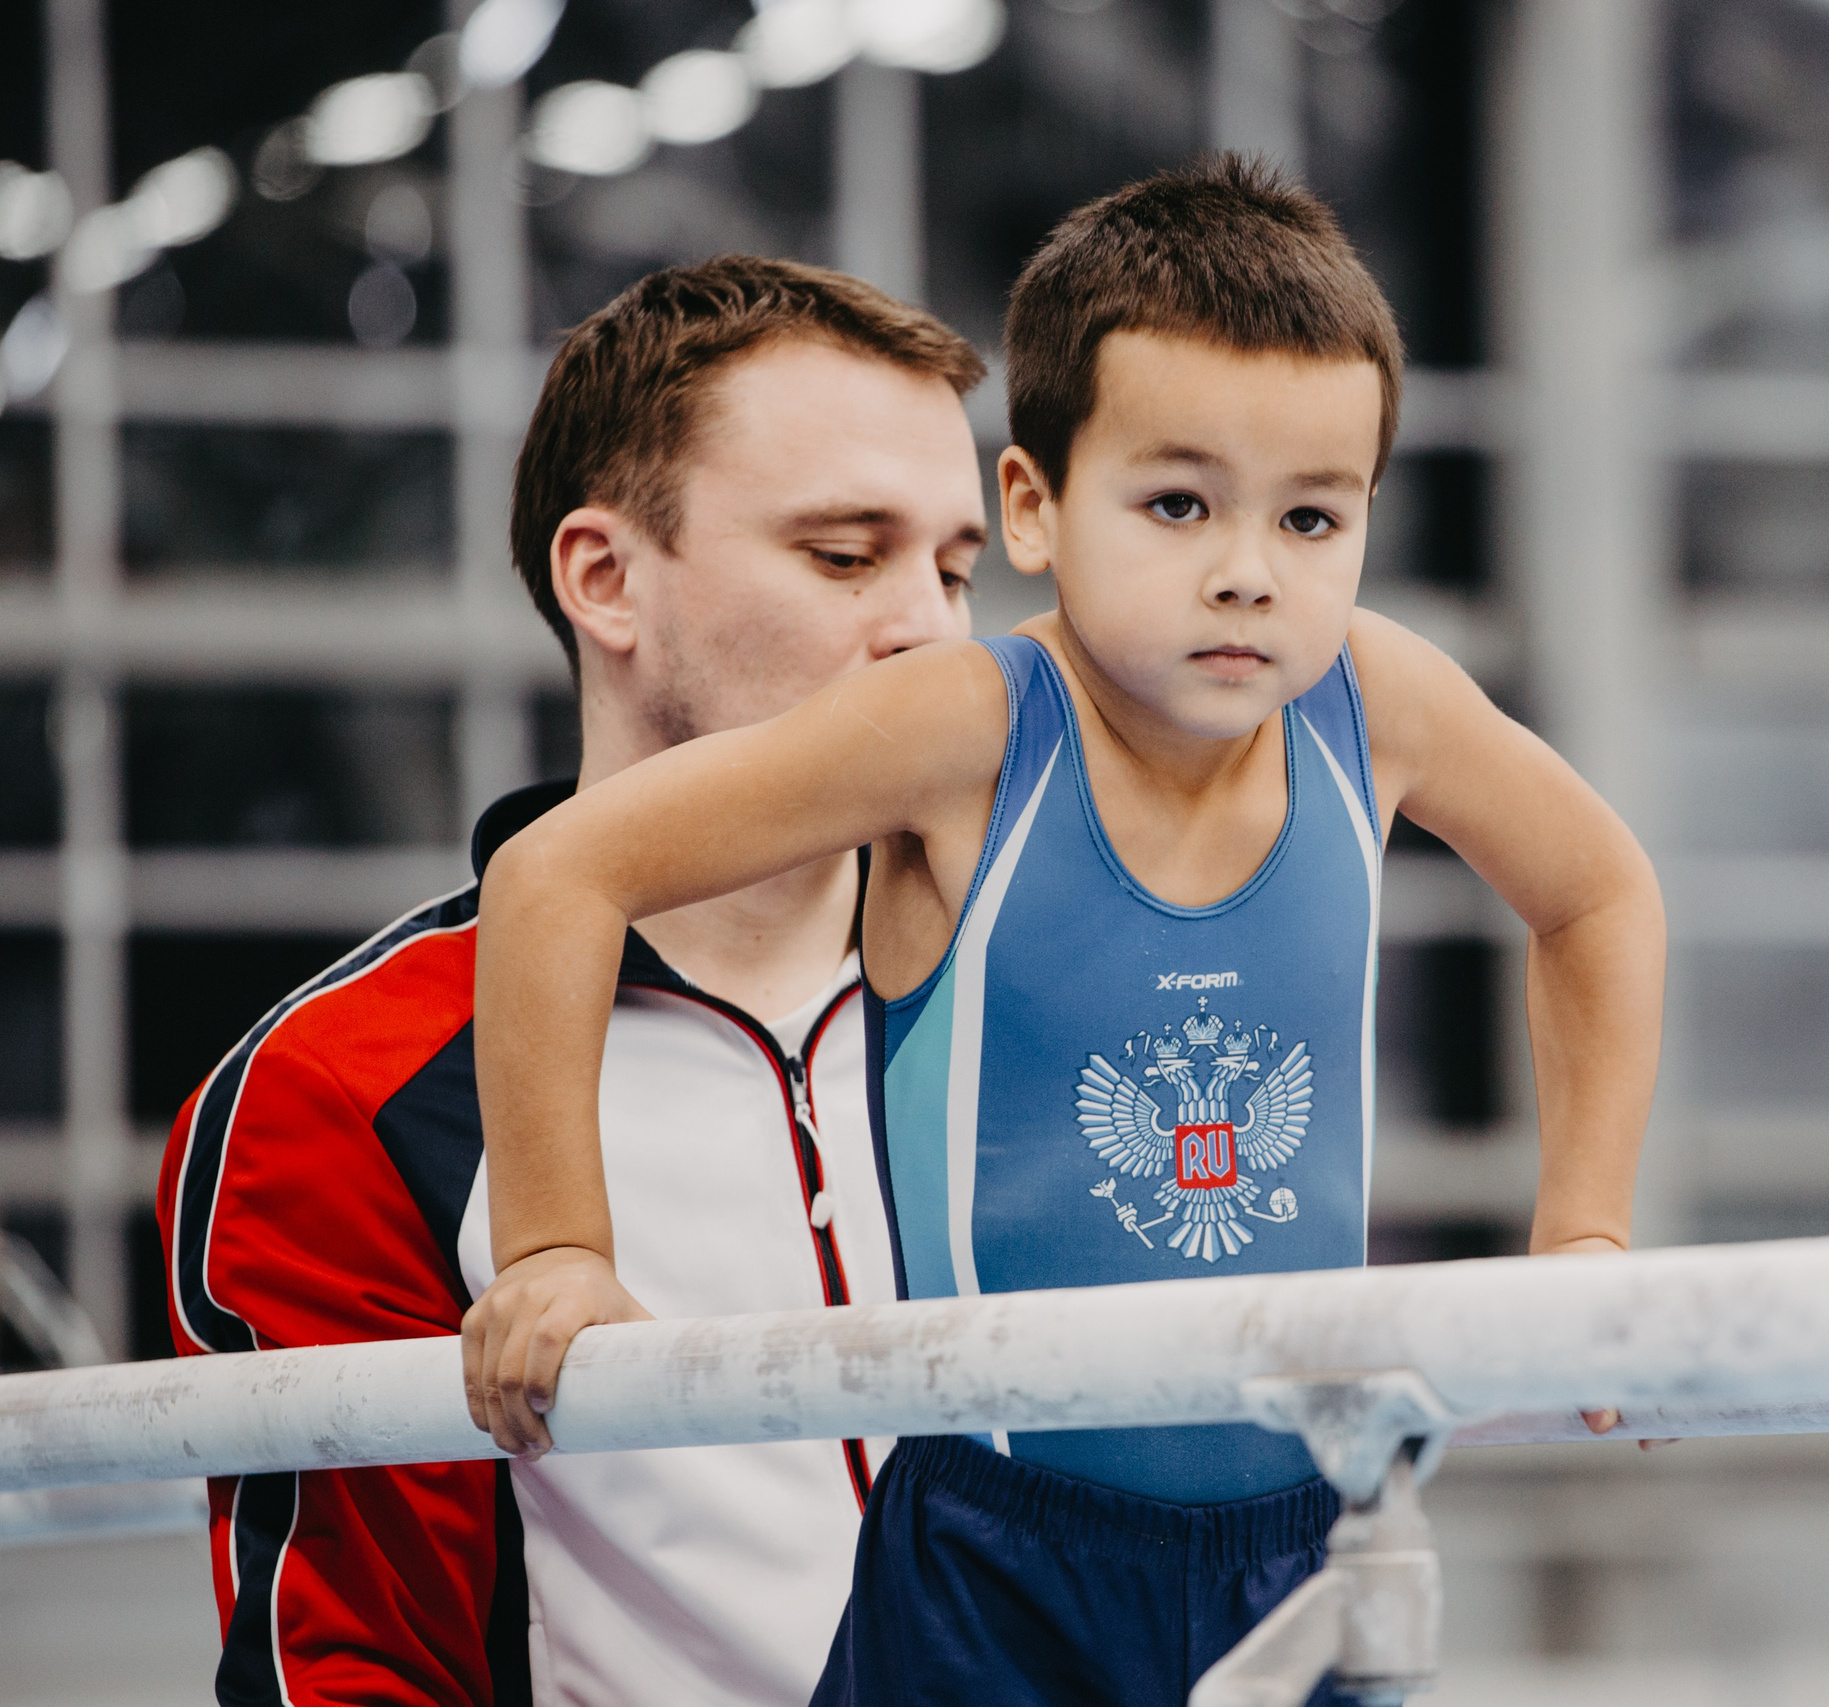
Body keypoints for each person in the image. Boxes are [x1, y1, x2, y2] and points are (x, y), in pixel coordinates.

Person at [460, 157, 1668, 1706]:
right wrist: (561, 1246)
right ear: (1031, 505)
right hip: (998, 1556)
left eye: (1313, 517)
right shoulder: (966, 728)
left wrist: (1583, 1238)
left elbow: (1599, 892)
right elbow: (558, 874)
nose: (1248, 570)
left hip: (1312, 1526)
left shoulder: (1382, 704)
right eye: (1178, 504)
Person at [152, 254, 988, 1707]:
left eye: (959, 567)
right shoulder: (343, 1091)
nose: (930, 629)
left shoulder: (1048, 992)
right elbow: (358, 1671)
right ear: (606, 580)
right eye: (847, 557)